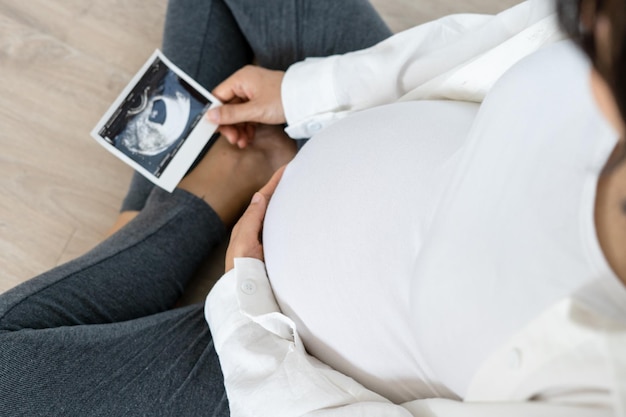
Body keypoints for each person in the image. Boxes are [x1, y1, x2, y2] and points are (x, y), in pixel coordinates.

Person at [0, 1, 624, 417]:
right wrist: (305, 92)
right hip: (374, 117)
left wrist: (244, 303)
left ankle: (179, 213)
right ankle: (161, 230)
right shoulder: (605, 27)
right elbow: (488, 48)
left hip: (284, 344)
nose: (580, 37)